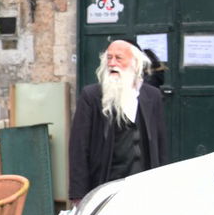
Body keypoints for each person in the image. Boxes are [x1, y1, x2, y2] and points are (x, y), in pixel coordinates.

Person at [69, 39, 168, 202]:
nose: (112, 63)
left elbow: (160, 144)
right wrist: (78, 195)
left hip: (143, 187)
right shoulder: (91, 96)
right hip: (105, 187)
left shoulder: (152, 96)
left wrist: (162, 185)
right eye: (109, 58)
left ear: (135, 63)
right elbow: (79, 148)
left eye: (118, 58)